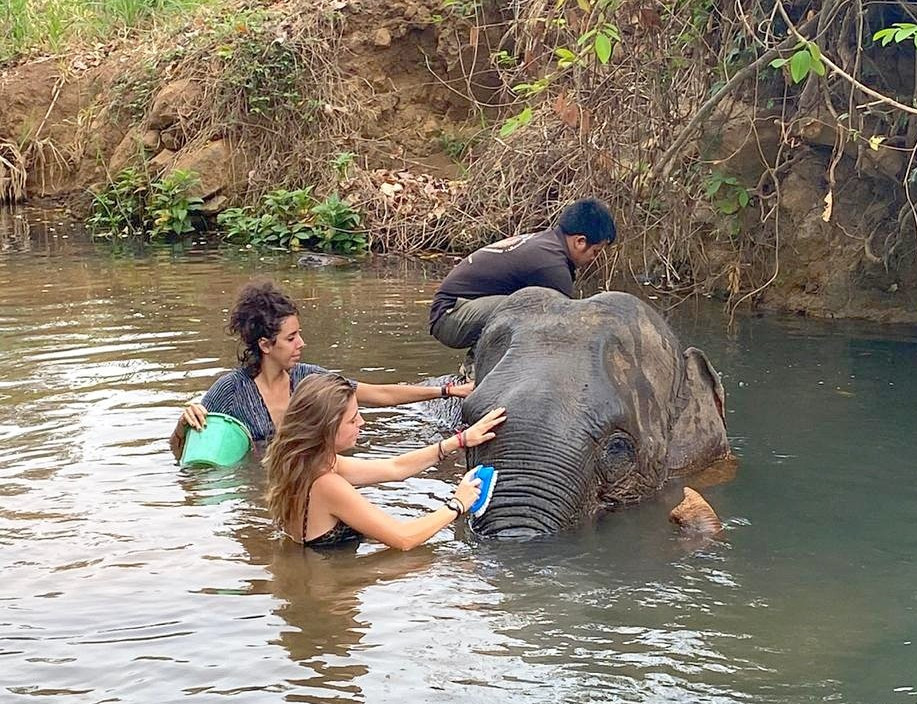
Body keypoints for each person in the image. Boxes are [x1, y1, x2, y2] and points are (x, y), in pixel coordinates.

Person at [170, 279, 473, 460]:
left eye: (299, 333)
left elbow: (377, 393)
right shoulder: (231, 391)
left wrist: (445, 391)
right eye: (291, 338)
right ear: (265, 345)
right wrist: (182, 425)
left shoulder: (308, 379)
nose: (301, 343)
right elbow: (186, 452)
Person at [264, 373, 507, 550]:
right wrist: (457, 504)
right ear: (326, 428)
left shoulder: (305, 462)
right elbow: (403, 539)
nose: (362, 423)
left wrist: (460, 440)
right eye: (352, 420)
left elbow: (395, 468)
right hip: (333, 594)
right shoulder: (326, 484)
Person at [428, 197, 617, 352]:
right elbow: (565, 325)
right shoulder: (551, 264)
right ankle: (474, 371)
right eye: (596, 251)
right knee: (531, 310)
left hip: (464, 309)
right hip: (450, 316)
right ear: (580, 242)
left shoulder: (547, 244)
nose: (594, 258)